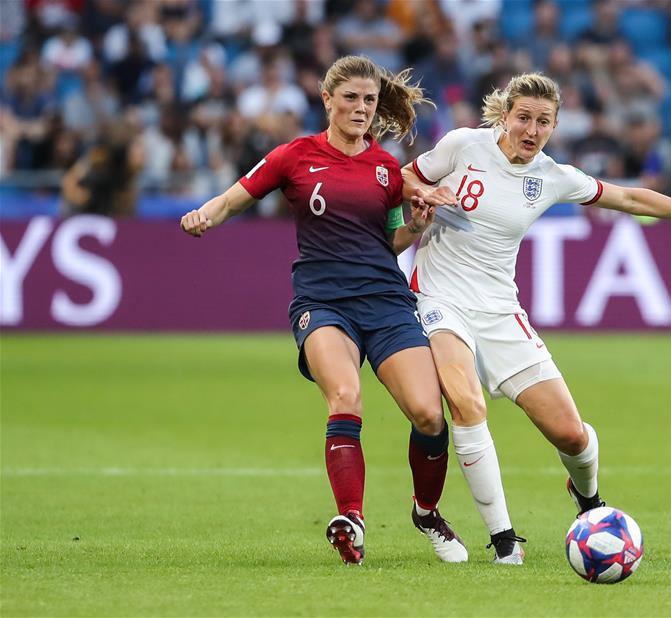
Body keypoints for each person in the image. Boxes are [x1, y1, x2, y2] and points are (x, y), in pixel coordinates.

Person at [402, 73, 671, 564]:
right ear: (505, 115)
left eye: (543, 121)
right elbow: (404, 175)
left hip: (501, 310)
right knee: (467, 403)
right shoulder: (463, 145)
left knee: (570, 433)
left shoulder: (552, 176)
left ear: (555, 126)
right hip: (438, 296)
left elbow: (630, 198)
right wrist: (424, 195)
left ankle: (587, 498)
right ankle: (505, 541)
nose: (532, 128)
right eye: (524, 117)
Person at [179, 55, 467, 566]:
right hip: (323, 302)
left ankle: (426, 512)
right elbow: (234, 198)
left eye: (369, 100)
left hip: (385, 302)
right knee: (345, 395)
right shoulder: (294, 156)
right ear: (327, 99)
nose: (360, 108)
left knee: (428, 414)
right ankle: (351, 522)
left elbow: (391, 240)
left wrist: (417, 227)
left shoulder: (385, 169)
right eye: (351, 98)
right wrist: (206, 214)